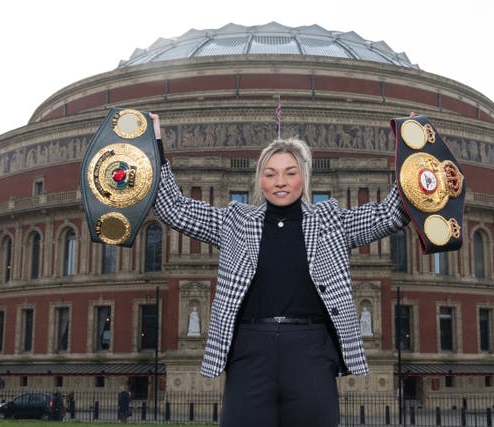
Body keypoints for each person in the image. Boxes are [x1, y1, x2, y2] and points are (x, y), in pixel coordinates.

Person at [151, 113, 410, 427]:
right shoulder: (236, 220)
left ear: (304, 177)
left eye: (290, 173)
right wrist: (155, 145)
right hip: (249, 348)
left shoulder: (332, 221)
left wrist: (411, 151)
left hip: (311, 348)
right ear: (260, 180)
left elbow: (390, 214)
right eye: (271, 174)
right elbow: (173, 208)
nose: (281, 182)